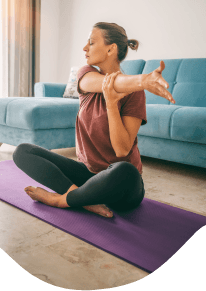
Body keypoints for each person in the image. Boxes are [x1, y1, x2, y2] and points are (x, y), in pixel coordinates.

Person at [13, 22, 175, 218]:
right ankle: (80, 197)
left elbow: (122, 150)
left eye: (91, 42)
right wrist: (143, 80)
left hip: (118, 184)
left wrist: (112, 105)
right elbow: (110, 83)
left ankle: (61, 200)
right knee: (23, 151)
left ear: (110, 49)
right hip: (87, 175)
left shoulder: (135, 94)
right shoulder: (85, 74)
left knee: (126, 171)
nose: (84, 48)